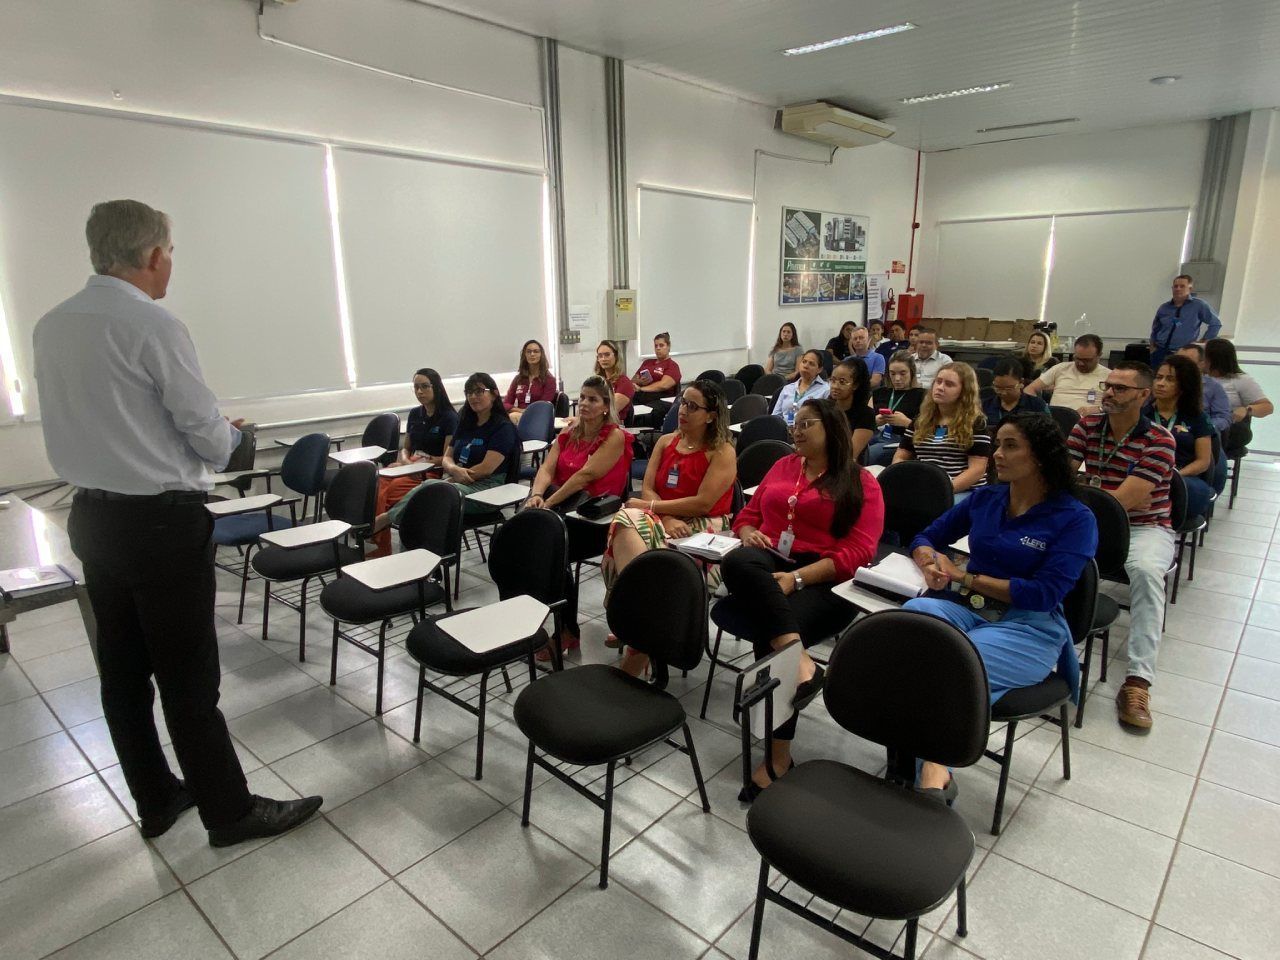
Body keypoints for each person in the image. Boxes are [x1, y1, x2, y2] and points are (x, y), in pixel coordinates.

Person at [32, 199, 321, 847]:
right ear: (151, 254)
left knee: (124, 672)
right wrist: (234, 439)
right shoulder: (153, 326)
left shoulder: (51, 325)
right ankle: (229, 812)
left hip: (94, 519)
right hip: (160, 527)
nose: (171, 265)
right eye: (170, 252)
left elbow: (113, 419)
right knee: (190, 681)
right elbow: (210, 440)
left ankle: (157, 797)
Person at [906, 413, 1098, 798]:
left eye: (1010, 446)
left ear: (1041, 456)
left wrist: (964, 576)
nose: (997, 454)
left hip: (1029, 625)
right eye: (997, 445)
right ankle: (921, 759)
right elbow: (928, 535)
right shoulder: (988, 498)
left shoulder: (1075, 519)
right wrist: (929, 561)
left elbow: (1043, 594)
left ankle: (931, 767)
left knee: (956, 664)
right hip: (969, 607)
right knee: (910, 627)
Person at [721, 398, 884, 798]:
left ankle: (777, 759)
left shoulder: (861, 482)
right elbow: (746, 516)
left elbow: (858, 555)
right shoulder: (783, 466)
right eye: (795, 422)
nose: (796, 429)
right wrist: (748, 534)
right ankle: (804, 662)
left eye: (807, 423)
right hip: (768, 561)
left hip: (826, 579)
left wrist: (796, 578)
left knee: (768, 637)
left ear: (832, 431)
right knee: (738, 561)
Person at [1067, 361, 1176, 730]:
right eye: (1107, 385)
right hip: (1089, 518)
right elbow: (1060, 480)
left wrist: (1096, 494)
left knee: (1146, 574)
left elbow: (1121, 506)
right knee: (1037, 548)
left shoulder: (1160, 441)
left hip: (1145, 528)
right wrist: (1102, 496)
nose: (1108, 393)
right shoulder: (1087, 426)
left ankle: (1138, 682)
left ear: (1144, 396)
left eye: (1119, 388)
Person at [604, 380, 736, 663]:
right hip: (664, 518)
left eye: (692, 406)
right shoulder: (666, 441)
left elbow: (704, 502)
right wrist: (664, 515)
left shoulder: (723, 450)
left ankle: (631, 614)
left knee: (629, 519)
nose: (682, 410)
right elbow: (649, 486)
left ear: (711, 415)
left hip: (706, 527)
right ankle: (643, 615)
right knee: (628, 519)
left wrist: (653, 508)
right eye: (682, 402)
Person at [524, 376, 632, 659]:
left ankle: (567, 631)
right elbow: (547, 468)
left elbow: (585, 476)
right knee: (534, 543)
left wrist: (547, 502)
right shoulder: (570, 432)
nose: (584, 403)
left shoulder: (614, 436)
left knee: (552, 550)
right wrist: (535, 495)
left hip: (597, 520)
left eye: (593, 399)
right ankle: (543, 620)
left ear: (606, 406)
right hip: (562, 509)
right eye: (582, 397)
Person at [375, 371, 519, 532]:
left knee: (431, 493)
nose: (473, 396)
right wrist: (453, 470)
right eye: (469, 392)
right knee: (427, 498)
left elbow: (486, 469)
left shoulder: (503, 427)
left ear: (494, 394)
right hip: (458, 480)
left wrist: (453, 479)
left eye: (479, 391)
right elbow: (447, 457)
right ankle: (409, 542)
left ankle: (384, 521)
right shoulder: (466, 423)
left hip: (488, 488)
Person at [369, 367, 459, 557]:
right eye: (416, 387)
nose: (420, 392)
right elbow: (405, 448)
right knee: (375, 484)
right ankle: (380, 544)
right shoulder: (414, 414)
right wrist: (405, 461)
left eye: (425, 387)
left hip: (430, 471)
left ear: (437, 388)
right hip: (410, 464)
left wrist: (417, 464)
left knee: (388, 492)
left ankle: (377, 542)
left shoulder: (449, 417)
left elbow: (446, 458)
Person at [894, 361, 991, 502]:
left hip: (963, 491)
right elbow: (901, 457)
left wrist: (942, 491)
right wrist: (901, 479)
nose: (940, 388)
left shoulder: (976, 423)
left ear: (964, 391)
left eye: (949, 384)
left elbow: (977, 470)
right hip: (923, 487)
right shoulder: (921, 420)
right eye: (938, 382)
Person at [1145, 356, 1216, 519]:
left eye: (1170, 379)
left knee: (1177, 492)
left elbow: (1203, 462)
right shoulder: (1142, 414)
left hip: (1182, 476)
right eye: (1158, 377)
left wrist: (1175, 475)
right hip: (1146, 472)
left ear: (1184, 385)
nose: (1160, 383)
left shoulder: (1197, 417)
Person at [1177, 343, 1231, 494]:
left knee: (1213, 452)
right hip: (1169, 429)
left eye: (1188, 363)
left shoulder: (1213, 387)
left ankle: (1210, 492)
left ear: (1202, 365)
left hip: (1200, 431)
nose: (1181, 367)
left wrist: (1205, 427)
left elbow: (1223, 417)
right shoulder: (1164, 384)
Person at [1149, 274, 1222, 369]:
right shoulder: (1164, 308)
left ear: (1190, 289)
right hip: (1160, 351)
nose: (1178, 289)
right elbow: (1156, 327)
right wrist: (1152, 347)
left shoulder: (1198, 305)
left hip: (1184, 353)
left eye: (1182, 286)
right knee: (1158, 378)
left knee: (1181, 380)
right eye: (1175, 286)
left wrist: (1204, 341)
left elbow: (1215, 323)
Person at [1026, 333, 1110, 413]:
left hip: (1090, 423)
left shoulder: (1110, 376)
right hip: (1056, 421)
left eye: (1086, 360)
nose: (1081, 363)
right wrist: (1041, 409)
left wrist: (1100, 409)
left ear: (1099, 355)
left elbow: (1119, 406)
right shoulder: (1060, 368)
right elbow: (1029, 389)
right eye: (1077, 358)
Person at [869, 352, 926, 466]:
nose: (897, 378)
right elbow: (864, 420)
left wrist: (907, 423)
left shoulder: (922, 395)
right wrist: (874, 421)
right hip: (876, 435)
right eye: (893, 373)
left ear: (912, 372)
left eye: (902, 373)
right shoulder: (879, 393)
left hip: (901, 441)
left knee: (870, 453)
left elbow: (928, 429)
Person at [1205, 338, 1274, 424]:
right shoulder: (1201, 377)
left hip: (1228, 429)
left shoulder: (1241, 380)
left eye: (1205, 358)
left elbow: (1267, 407)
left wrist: (1247, 410)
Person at [827, 357, 875, 461]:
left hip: (845, 466)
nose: (835, 386)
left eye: (842, 382)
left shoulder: (866, 415)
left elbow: (850, 455)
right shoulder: (825, 408)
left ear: (855, 385)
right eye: (833, 380)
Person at [982, 356, 1049, 426]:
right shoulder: (985, 406)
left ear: (1021, 382)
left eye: (1009, 388)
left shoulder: (1036, 405)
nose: (1003, 393)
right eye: (998, 388)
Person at [503, 339, 559, 424]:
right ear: (524, 355)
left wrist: (524, 412)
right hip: (519, 416)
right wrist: (520, 410)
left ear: (541, 355)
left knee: (512, 417)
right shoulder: (518, 379)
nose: (532, 354)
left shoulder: (549, 380)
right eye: (528, 352)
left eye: (536, 351)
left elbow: (542, 407)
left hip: (538, 417)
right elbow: (506, 403)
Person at [771, 349, 829, 425]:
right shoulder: (787, 388)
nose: (806, 366)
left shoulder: (825, 390)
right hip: (784, 432)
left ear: (819, 369)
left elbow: (825, 420)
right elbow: (775, 416)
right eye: (804, 362)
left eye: (811, 364)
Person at [592, 339, 636, 421]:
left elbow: (608, 411)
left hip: (615, 427)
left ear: (616, 356)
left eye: (607, 355)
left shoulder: (624, 383)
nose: (603, 359)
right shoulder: (597, 381)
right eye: (600, 356)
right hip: (596, 423)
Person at [633, 331, 682, 400]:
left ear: (668, 346)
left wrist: (641, 389)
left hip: (659, 398)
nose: (658, 348)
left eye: (661, 345)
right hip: (640, 395)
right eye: (656, 346)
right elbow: (633, 380)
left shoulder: (672, 365)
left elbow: (663, 385)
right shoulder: (647, 362)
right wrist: (640, 381)